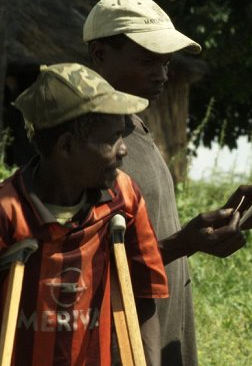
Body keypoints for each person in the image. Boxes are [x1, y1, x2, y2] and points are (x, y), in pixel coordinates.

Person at [82, 0, 252, 364]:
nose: (162, 74)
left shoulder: (133, 127)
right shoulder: (83, 145)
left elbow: (145, 232)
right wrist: (183, 244)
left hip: (160, 330)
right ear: (99, 54)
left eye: (166, 62)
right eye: (147, 61)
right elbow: (77, 267)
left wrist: (228, 218)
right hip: (119, 344)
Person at [1, 63, 167, 365]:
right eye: (113, 138)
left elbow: (142, 296)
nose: (123, 150)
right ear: (66, 146)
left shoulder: (123, 198)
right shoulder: (7, 211)